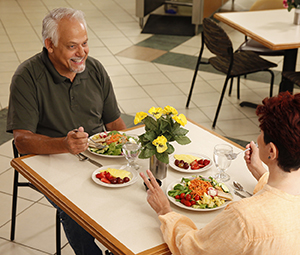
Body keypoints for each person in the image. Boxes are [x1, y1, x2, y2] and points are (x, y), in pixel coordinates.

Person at [7, 7, 126, 255]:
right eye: (73, 46)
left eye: (85, 43)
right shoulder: (27, 77)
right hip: (48, 160)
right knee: (74, 208)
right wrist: (64, 144)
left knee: (136, 196)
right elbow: (22, 141)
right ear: (50, 45)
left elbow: (114, 124)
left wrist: (130, 157)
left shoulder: (95, 70)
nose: (81, 52)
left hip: (97, 157)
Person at [140, 91, 300, 255]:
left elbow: (192, 249)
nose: (258, 138)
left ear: (271, 151)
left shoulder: (242, 218)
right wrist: (260, 171)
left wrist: (165, 211)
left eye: (261, 133)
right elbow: (280, 201)